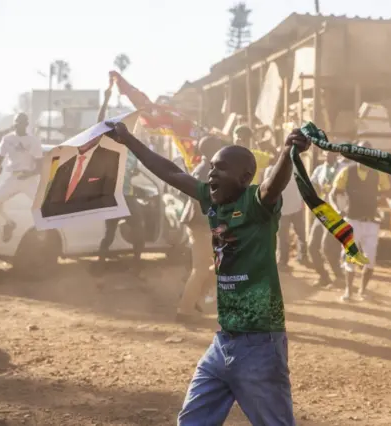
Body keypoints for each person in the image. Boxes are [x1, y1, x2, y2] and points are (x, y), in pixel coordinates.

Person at [106, 119, 310, 425]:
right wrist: (129, 140)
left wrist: (288, 152)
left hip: (260, 346)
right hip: (223, 343)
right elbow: (171, 173)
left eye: (221, 168)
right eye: (211, 166)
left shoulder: (256, 204)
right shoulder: (211, 201)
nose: (212, 172)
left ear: (244, 178)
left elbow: (273, 185)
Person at [92, 79, 145, 274]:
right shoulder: (109, 148)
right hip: (112, 197)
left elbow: (135, 171)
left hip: (128, 196)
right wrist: (105, 99)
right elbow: (99, 124)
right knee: (109, 234)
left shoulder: (132, 150)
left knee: (139, 231)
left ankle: (137, 266)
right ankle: (99, 266)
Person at [330, 141, 391, 301]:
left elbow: (386, 194)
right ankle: (348, 291)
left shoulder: (378, 174)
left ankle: (362, 291)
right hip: (352, 221)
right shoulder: (347, 172)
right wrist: (338, 210)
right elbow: (333, 193)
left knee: (370, 259)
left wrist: (383, 207)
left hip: (371, 222)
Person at [176, 135, 224, 320]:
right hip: (200, 224)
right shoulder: (206, 170)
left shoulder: (206, 168)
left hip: (204, 224)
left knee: (220, 265)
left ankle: (192, 296)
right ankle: (184, 310)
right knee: (202, 269)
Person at [0, 113, 43, 242]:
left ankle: (42, 233)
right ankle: (7, 224)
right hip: (13, 178)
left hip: (28, 178)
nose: (19, 126)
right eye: (16, 123)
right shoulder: (7, 139)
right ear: (14, 124)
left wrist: (29, 174)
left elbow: (40, 166)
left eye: (22, 123)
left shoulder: (33, 141)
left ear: (26, 125)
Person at [308, 151, 343, 287]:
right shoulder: (319, 169)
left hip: (336, 212)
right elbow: (311, 185)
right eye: (326, 154)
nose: (328, 156)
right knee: (312, 246)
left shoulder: (343, 169)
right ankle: (323, 276)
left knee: (327, 246)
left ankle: (339, 276)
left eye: (332, 154)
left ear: (336, 155)